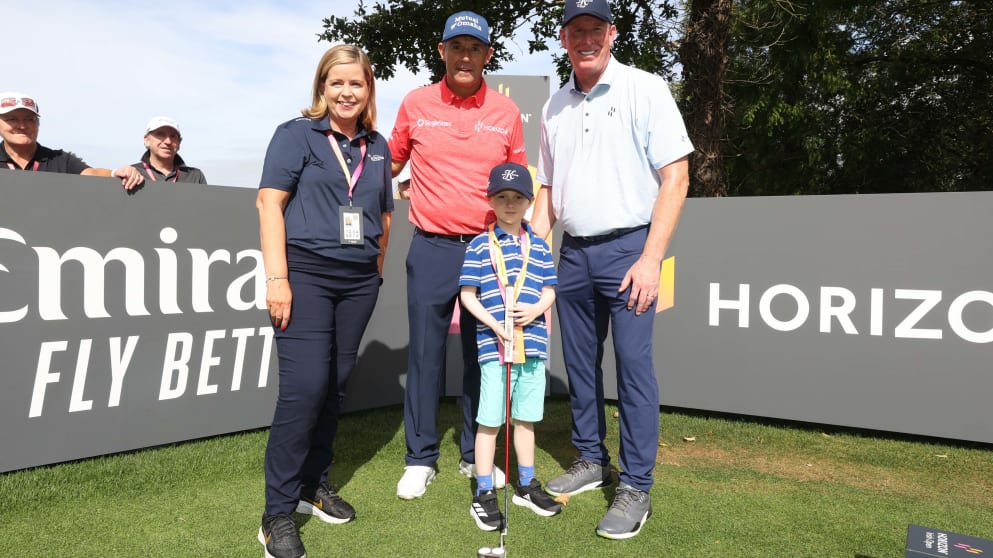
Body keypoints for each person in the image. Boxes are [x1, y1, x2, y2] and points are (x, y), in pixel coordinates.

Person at [530, 0, 695, 541]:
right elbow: (547, 189)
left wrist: (652, 258)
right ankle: (590, 459)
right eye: (576, 30)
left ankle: (636, 485)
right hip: (573, 253)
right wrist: (531, 257)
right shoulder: (554, 105)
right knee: (580, 365)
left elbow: (676, 176)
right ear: (563, 38)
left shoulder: (645, 88)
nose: (586, 39)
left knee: (633, 369)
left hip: (631, 251)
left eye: (595, 29)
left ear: (612, 33)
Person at [255, 44, 393, 558]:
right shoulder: (296, 135)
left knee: (334, 386)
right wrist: (278, 279)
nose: (346, 92)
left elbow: (383, 213)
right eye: (337, 82)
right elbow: (269, 203)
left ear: (368, 88)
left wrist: (376, 268)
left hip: (358, 281)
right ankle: (276, 514)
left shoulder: (378, 145)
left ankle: (313, 483)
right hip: (306, 275)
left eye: (356, 83)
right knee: (304, 389)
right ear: (322, 87)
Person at [389, 10, 529, 500]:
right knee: (425, 356)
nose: (465, 57)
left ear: (487, 55)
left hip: (488, 250)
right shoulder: (417, 102)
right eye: (456, 47)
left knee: (482, 356)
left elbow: (518, 186)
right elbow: (388, 162)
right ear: (442, 51)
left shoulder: (506, 112)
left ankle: (475, 453)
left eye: (474, 48)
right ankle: (420, 458)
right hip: (431, 246)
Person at [458, 162, 561, 531]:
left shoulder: (540, 247)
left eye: (518, 197)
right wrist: (493, 324)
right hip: (494, 348)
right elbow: (467, 295)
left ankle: (527, 485)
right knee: (489, 422)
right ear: (490, 200)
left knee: (525, 419)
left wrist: (534, 310)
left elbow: (549, 291)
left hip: (531, 347)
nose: (510, 204)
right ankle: (484, 490)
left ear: (529, 202)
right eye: (502, 197)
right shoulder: (479, 245)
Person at [0, 91, 144, 189]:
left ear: (38, 124)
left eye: (29, 119)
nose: (22, 126)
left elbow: (91, 173)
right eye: (12, 119)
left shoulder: (60, 160)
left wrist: (115, 173)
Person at [131, 116, 207, 184]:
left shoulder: (195, 176)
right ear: (146, 140)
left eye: (173, 136)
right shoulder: (132, 174)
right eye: (160, 134)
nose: (168, 141)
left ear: (179, 143)